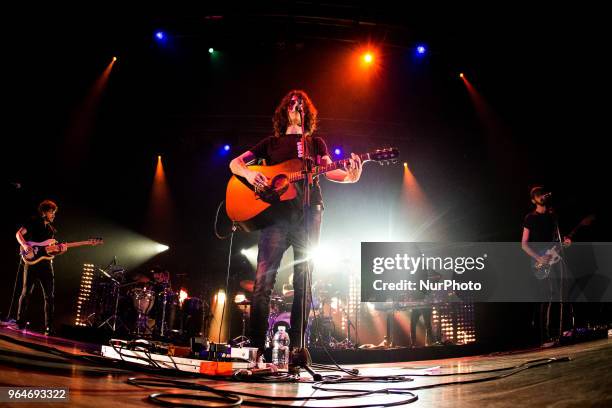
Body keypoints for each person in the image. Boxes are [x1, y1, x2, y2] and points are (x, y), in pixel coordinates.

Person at [229, 90, 362, 358]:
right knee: (263, 282)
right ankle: (256, 349)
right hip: (275, 217)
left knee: (305, 281)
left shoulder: (316, 144)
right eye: (290, 101)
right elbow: (235, 163)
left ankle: (298, 350)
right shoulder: (271, 143)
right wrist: (251, 174)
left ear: (306, 112)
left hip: (309, 213)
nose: (294, 104)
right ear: (283, 111)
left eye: (299, 102)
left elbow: (331, 169)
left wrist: (351, 177)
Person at [521, 186, 571, 344]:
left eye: (543, 193)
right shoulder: (530, 218)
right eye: (538, 195)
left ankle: (563, 331)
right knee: (547, 296)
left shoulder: (552, 216)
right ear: (533, 200)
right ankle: (545, 336)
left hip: (554, 258)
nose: (542, 196)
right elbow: (524, 244)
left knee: (561, 292)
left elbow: (556, 240)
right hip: (540, 261)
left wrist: (565, 241)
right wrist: (538, 258)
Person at [15, 200, 66, 335]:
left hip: (46, 265)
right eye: (51, 212)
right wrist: (25, 245)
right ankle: (20, 323)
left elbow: (50, 251)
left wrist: (61, 250)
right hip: (31, 262)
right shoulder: (33, 221)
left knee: (50, 296)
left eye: (54, 213)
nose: (53, 215)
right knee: (26, 293)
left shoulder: (51, 229)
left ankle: (49, 327)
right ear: (44, 212)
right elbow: (18, 234)